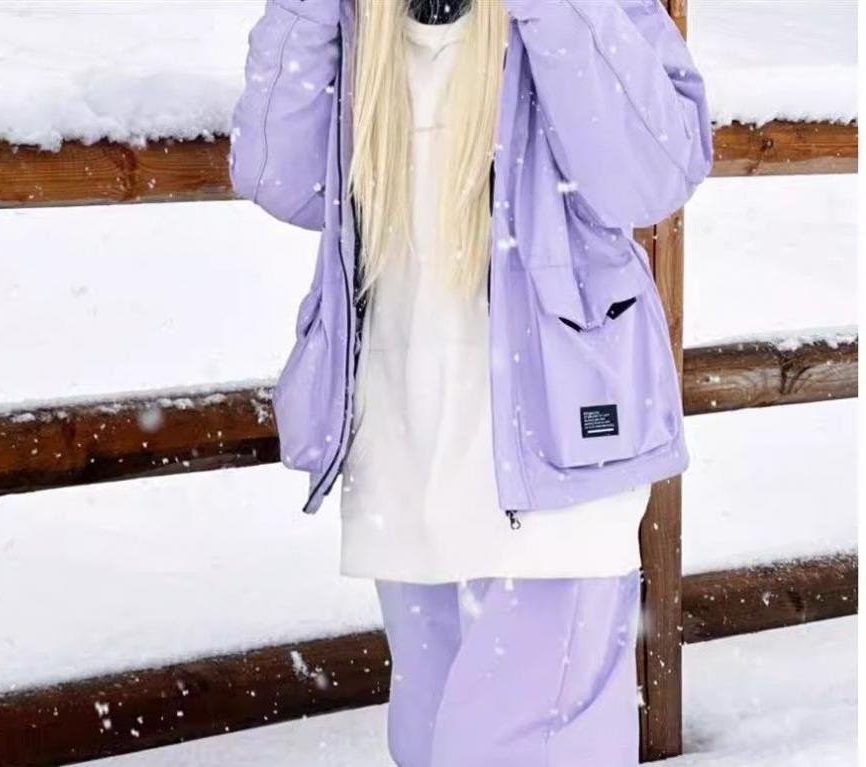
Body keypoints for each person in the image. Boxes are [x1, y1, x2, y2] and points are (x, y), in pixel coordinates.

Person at [230, 0, 712, 764]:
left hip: (551, 472)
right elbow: (273, 174)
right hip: (405, 465)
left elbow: (652, 173)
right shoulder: (362, 17)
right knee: (431, 745)